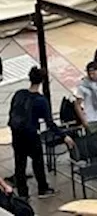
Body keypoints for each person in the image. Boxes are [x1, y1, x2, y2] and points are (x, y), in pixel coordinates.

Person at [8, 66, 57, 200]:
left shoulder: (19, 93)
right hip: (31, 134)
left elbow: (11, 112)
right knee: (38, 162)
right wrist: (63, 136)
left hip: (17, 134)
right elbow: (49, 122)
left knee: (20, 163)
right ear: (42, 81)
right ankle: (42, 188)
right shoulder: (41, 100)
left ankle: (23, 193)